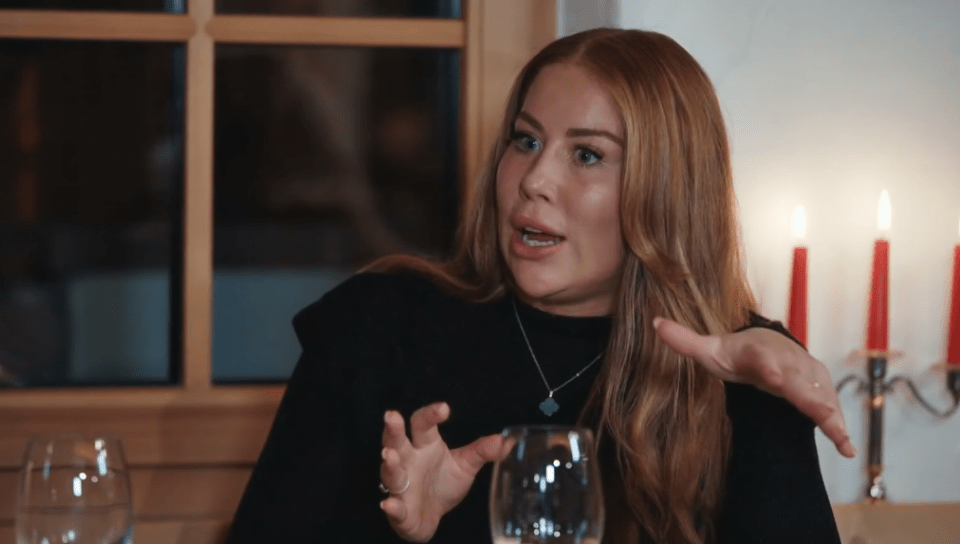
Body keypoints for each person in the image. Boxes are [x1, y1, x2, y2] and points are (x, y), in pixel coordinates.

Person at [224, 28, 853, 544]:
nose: (534, 180)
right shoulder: (376, 325)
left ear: (666, 194)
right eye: (525, 141)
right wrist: (397, 529)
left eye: (586, 155)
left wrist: (761, 403)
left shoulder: (740, 366)